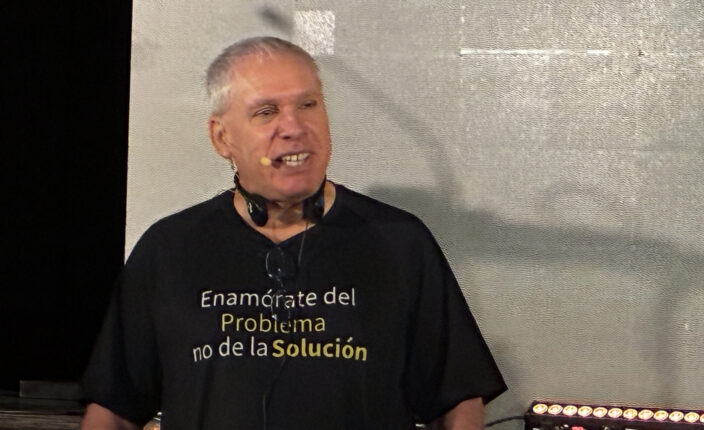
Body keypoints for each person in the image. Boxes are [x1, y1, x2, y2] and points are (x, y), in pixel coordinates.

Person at [81, 36, 506, 429]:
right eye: (266, 112)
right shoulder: (169, 249)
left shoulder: (400, 242)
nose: (294, 127)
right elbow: (113, 411)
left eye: (308, 105)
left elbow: (457, 402)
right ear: (222, 137)